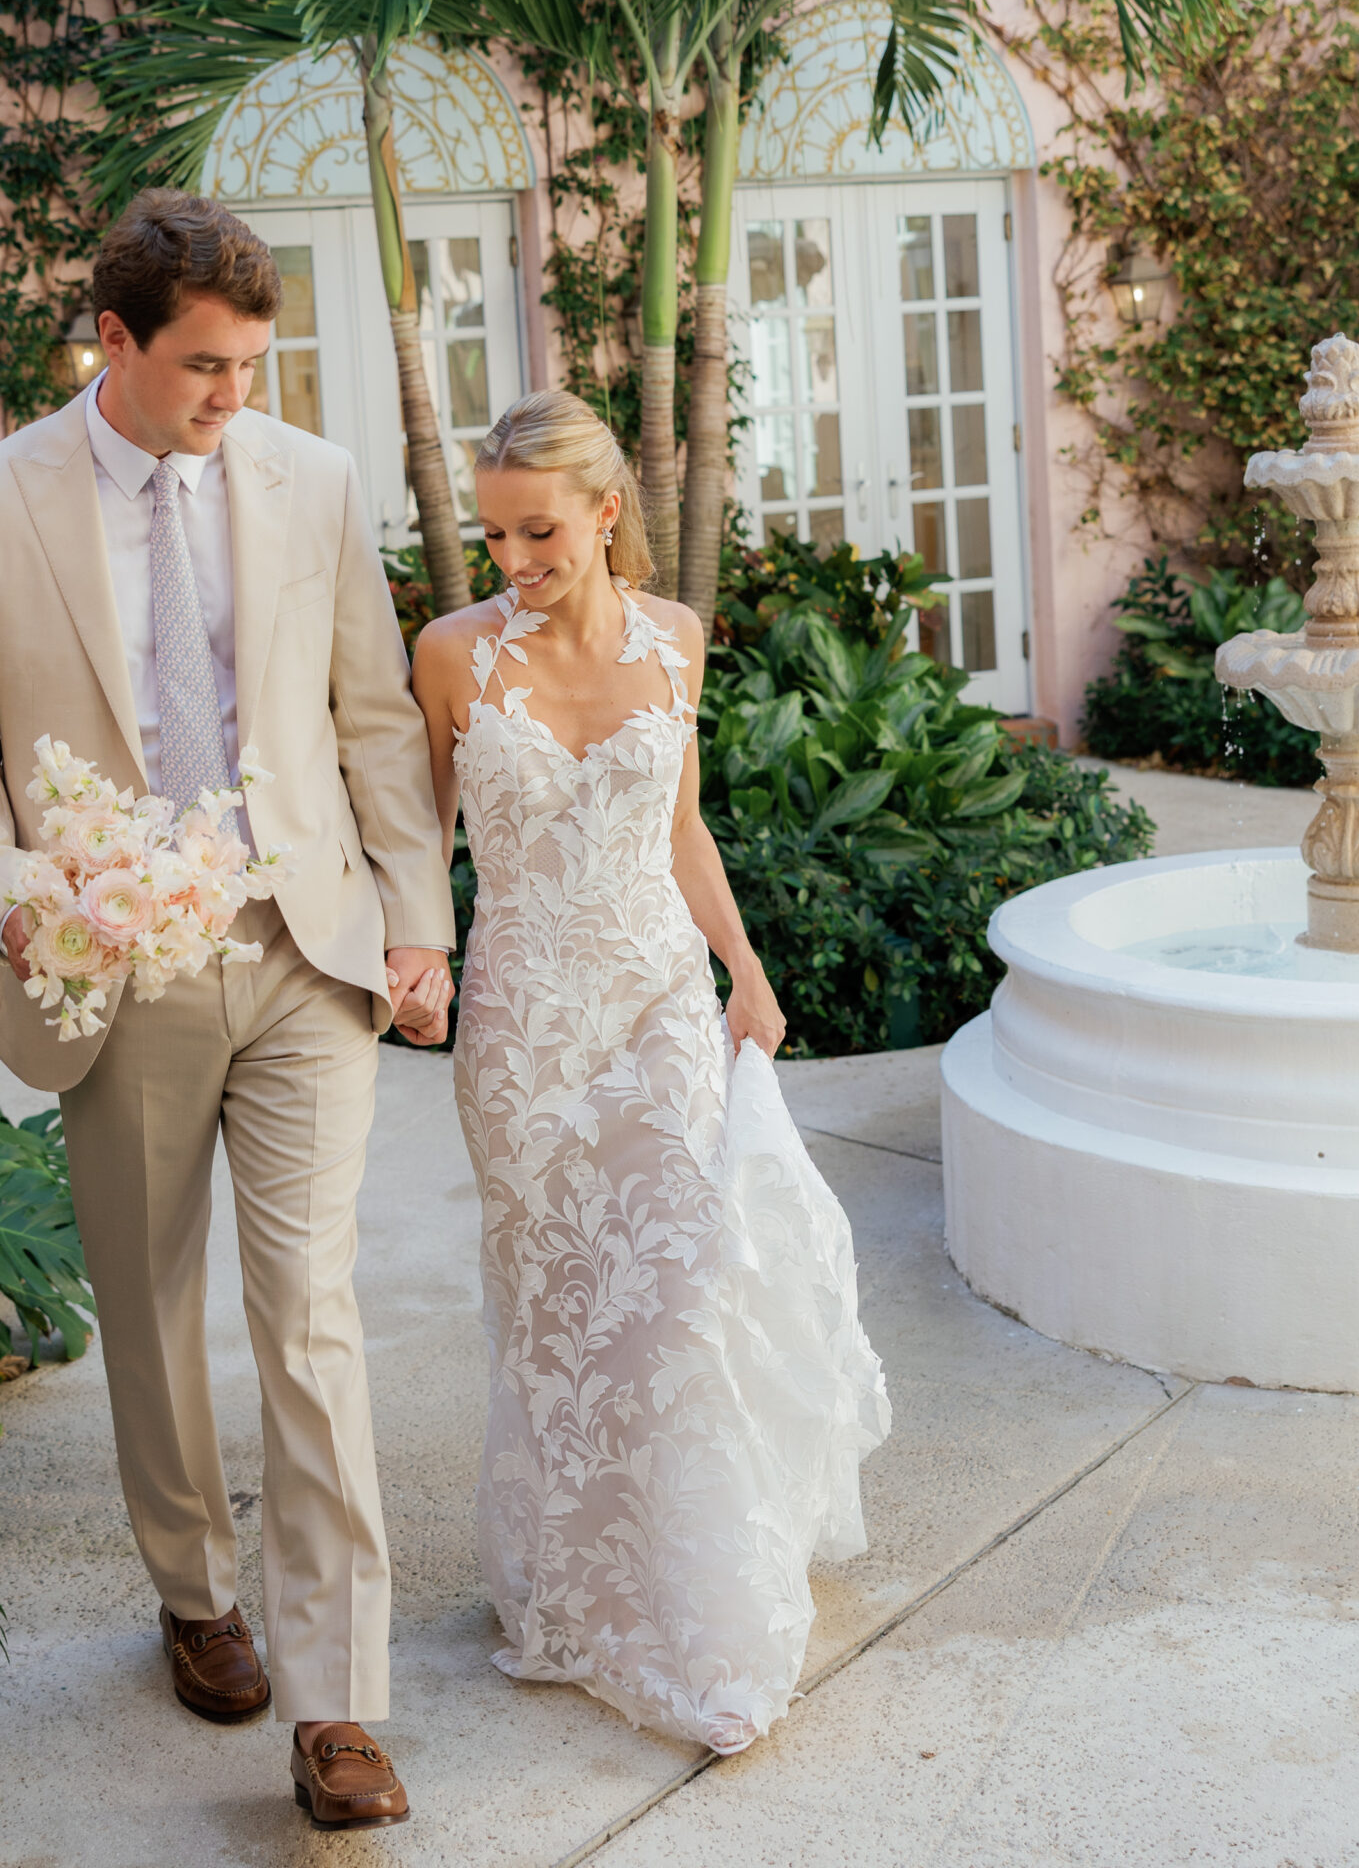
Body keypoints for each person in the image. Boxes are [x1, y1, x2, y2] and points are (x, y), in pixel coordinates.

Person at [0, 191, 456, 1829]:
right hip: (118, 965)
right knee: (148, 1307)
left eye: (252, 365)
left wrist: (417, 922)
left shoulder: (313, 481)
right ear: (115, 341)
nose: (234, 396)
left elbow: (370, 717)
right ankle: (195, 1591)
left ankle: (338, 1704)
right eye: (205, 366)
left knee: (310, 1312)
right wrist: (17, 895)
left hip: (302, 949)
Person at [411, 389, 890, 1754]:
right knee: (558, 1319)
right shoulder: (451, 655)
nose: (513, 557)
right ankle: (575, 1591)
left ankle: (697, 1600)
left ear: (606, 512)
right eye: (496, 533)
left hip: (657, 1005)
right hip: (523, 1032)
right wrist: (415, 960)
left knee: (680, 1295)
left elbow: (681, 826)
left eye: (540, 530)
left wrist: (746, 968)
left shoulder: (676, 639)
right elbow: (418, 836)